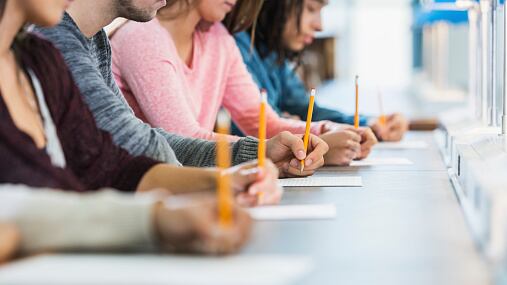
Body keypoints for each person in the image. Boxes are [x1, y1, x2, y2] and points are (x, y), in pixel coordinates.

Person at [0, 0, 252, 255]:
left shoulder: (40, 58)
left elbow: (110, 165)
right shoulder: (57, 42)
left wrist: (226, 182)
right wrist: (154, 218)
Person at [35, 0, 330, 177]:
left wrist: (260, 153)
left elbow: (145, 139)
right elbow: (138, 146)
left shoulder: (94, 40)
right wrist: (237, 171)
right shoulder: (56, 41)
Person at [110, 0, 377, 165]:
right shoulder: (142, 36)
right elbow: (184, 140)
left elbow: (261, 120)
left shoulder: (218, 38)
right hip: (153, 189)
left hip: (196, 185)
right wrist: (304, 148)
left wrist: (328, 131)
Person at [233, 0, 409, 142]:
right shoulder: (235, 45)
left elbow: (308, 111)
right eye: (311, 9)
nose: (320, 26)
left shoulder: (271, 53)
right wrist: (293, 124)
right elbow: (253, 126)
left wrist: (369, 124)